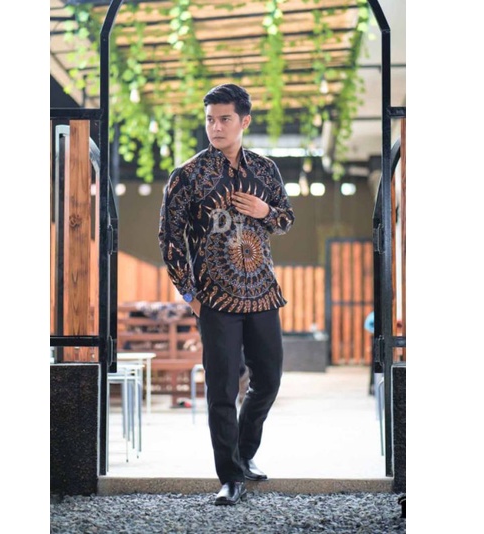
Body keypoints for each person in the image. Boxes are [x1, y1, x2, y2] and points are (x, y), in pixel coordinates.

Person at [159, 83, 295, 505]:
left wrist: (266, 212)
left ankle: (244, 453)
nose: (215, 127)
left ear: (244, 121)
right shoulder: (186, 176)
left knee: (268, 380)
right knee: (222, 390)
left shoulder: (266, 170)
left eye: (224, 119)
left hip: (262, 293)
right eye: (210, 120)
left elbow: (286, 219)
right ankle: (230, 476)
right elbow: (170, 239)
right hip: (215, 299)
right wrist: (190, 295)